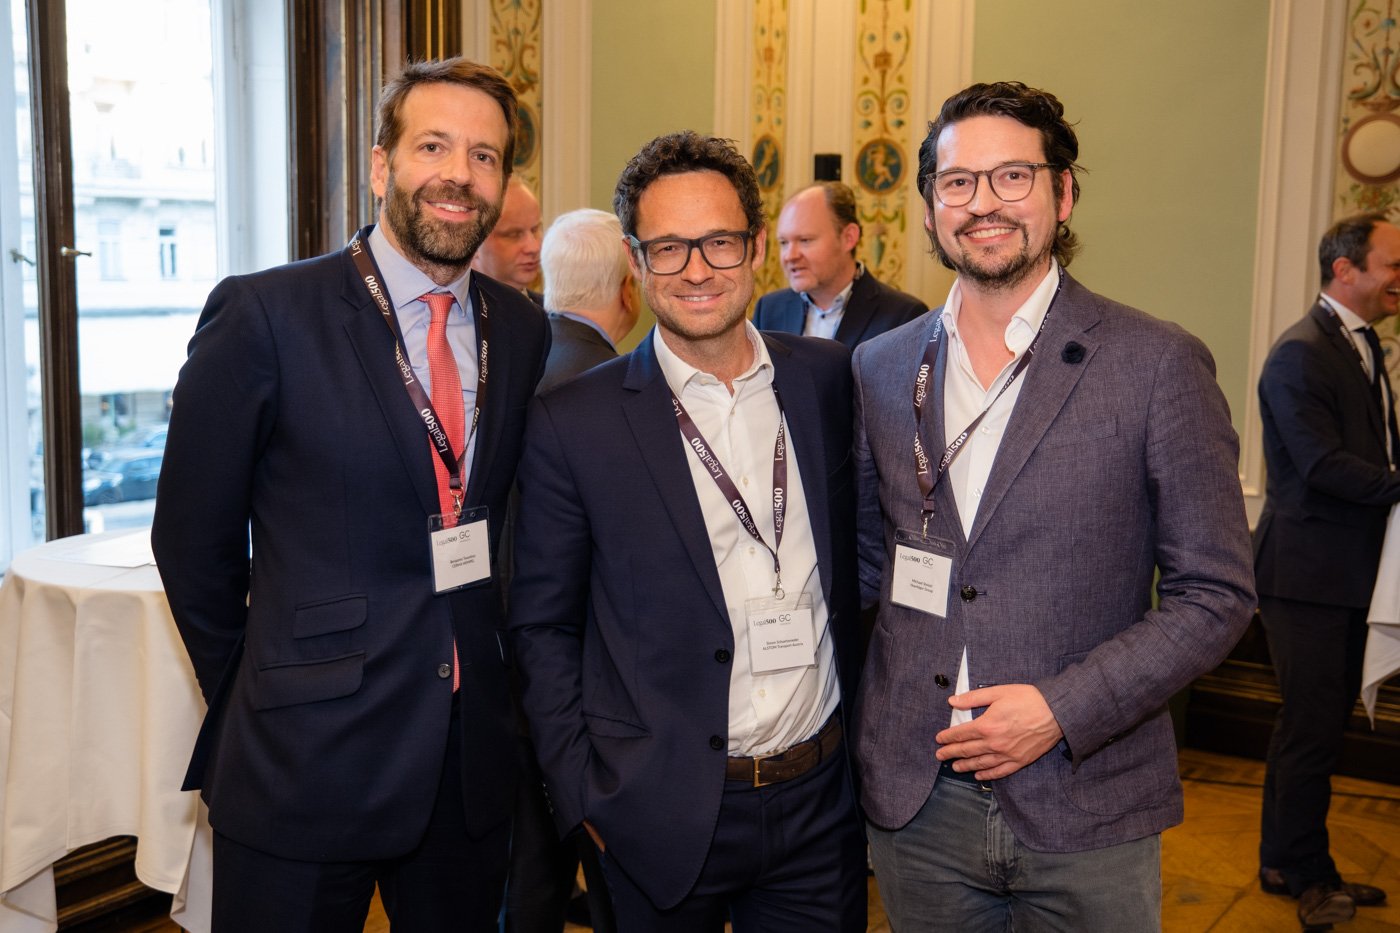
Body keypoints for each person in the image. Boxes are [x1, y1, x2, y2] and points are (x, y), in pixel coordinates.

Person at [151, 57, 550, 932]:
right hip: (305, 756)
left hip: (467, 758)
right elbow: (190, 543)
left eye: (484, 155)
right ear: (380, 166)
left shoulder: (522, 328)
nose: (459, 173)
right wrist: (268, 683)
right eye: (433, 146)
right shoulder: (264, 316)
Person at [852, 81, 1255, 932]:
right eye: (958, 182)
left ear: (1063, 193)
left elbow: (1216, 594)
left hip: (1087, 799)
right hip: (917, 804)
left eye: (1013, 176)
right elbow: (871, 564)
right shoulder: (881, 368)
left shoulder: (1156, 363)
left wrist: (1061, 709)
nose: (983, 203)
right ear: (929, 209)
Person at [509, 131, 867, 932]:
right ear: (635, 262)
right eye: (668, 247)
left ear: (756, 247)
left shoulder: (825, 380)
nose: (697, 269)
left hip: (818, 806)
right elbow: (541, 625)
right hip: (653, 812)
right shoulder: (576, 421)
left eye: (719, 242)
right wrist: (584, 796)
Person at [1254, 213, 1399, 928]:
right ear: (1346, 270)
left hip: (1344, 573)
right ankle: (1306, 874)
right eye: (1393, 264)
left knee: (1315, 727)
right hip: (1305, 575)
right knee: (1310, 729)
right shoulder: (1300, 353)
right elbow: (1320, 465)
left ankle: (1288, 860)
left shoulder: (1360, 345)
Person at [503, 208, 638, 933]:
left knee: (530, 882)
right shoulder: (616, 391)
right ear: (629, 287)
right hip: (593, 687)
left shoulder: (506, 372)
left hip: (509, 672)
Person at [752, 181, 924, 347]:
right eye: (783, 243)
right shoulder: (768, 310)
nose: (790, 256)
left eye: (805, 240)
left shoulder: (905, 317)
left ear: (848, 238)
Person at [473, 176, 545, 304]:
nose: (534, 247)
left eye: (535, 230)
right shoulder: (453, 313)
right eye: (514, 234)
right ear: (473, 241)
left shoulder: (551, 311)